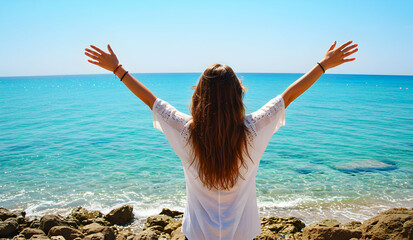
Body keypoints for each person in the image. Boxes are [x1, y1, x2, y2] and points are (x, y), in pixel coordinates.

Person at [84, 40, 358, 240]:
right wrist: (323, 65)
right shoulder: (253, 130)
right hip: (242, 234)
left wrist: (117, 69)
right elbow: (288, 96)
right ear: (238, 96)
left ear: (198, 96)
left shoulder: (186, 131)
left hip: (198, 235)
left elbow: (152, 101)